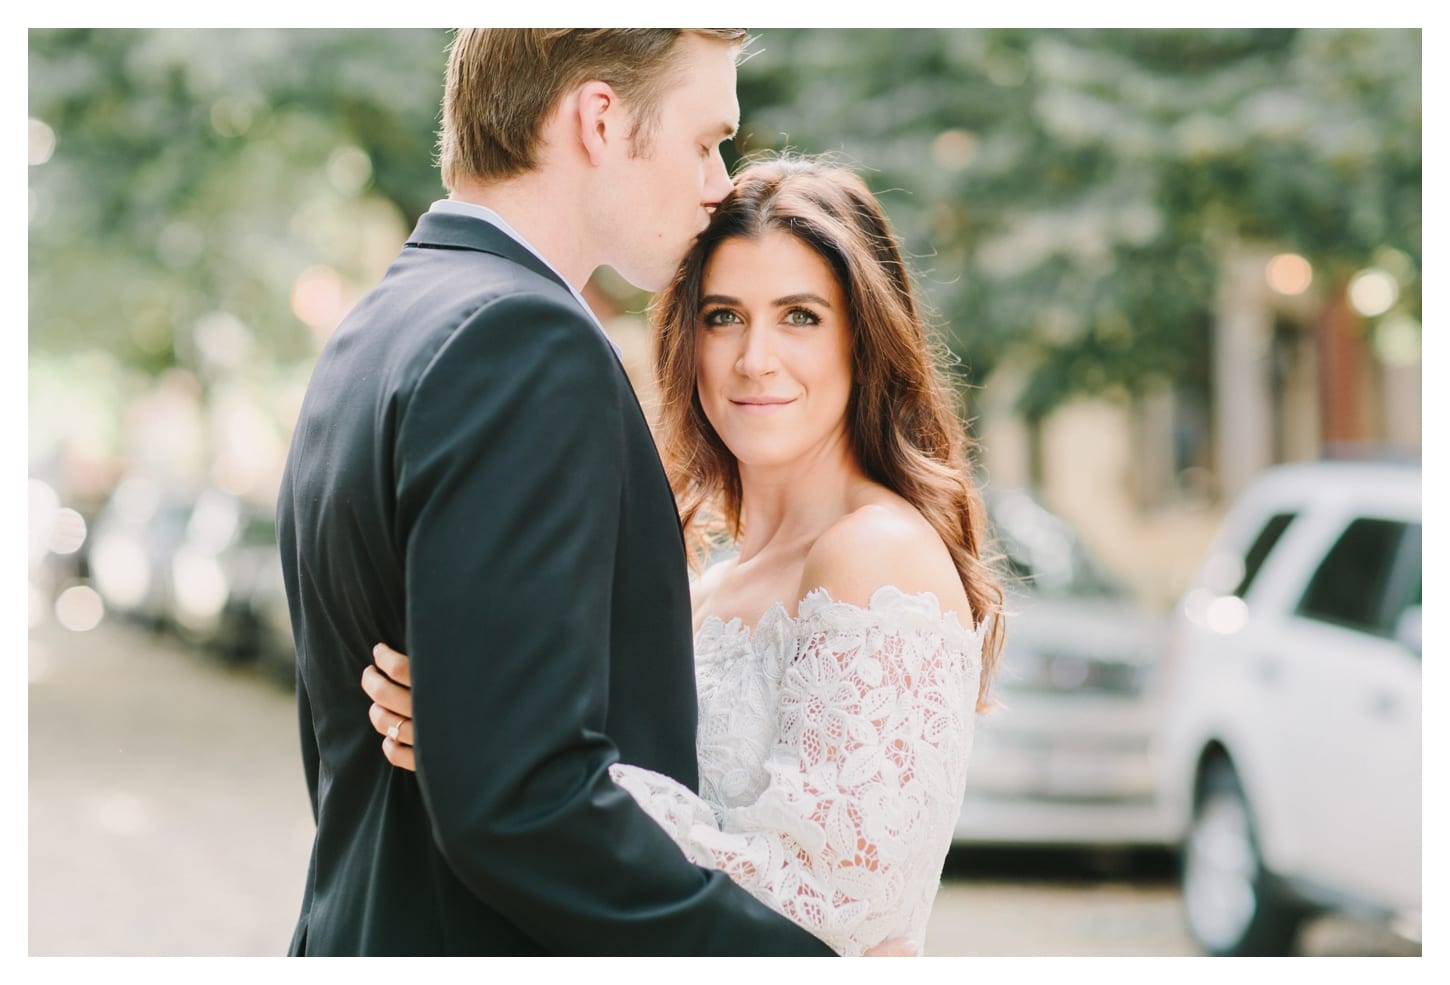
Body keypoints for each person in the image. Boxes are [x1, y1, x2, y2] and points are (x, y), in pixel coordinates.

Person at [275, 28, 838, 955]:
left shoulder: (381, 323)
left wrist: (474, 725)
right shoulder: (527, 343)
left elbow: (490, 752)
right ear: (601, 119)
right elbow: (523, 803)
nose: (719, 181)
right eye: (706, 140)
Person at [361, 154, 1006, 956]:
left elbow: (827, 902)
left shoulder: (875, 553)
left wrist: (504, 743)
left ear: (863, 339)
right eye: (723, 315)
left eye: (800, 316)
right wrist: (482, 732)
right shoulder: (707, 584)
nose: (754, 358)